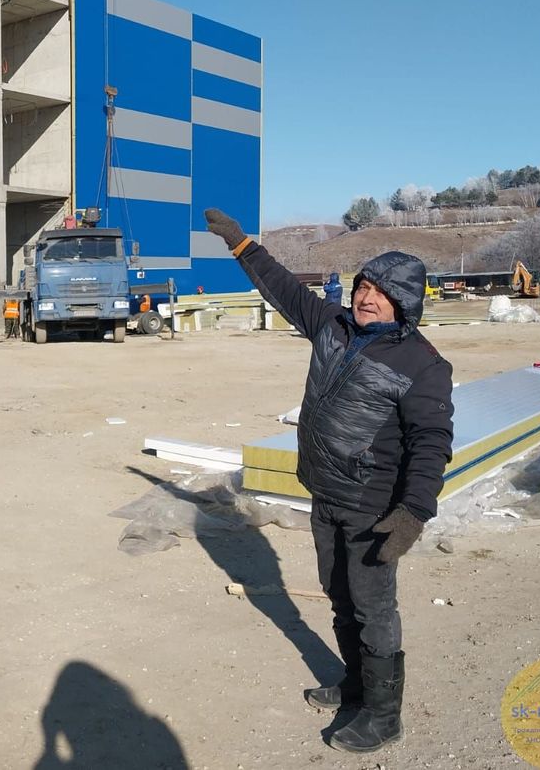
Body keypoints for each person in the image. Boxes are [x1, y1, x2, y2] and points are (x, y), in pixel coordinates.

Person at [204, 208, 454, 753]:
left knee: (373, 607)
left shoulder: (422, 363)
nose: (366, 298)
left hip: (373, 506)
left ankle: (385, 716)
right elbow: (282, 290)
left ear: (404, 304)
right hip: (325, 493)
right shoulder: (333, 327)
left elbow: (432, 444)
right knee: (338, 597)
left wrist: (413, 512)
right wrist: (244, 245)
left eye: (380, 293)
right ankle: (357, 687)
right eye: (363, 286)